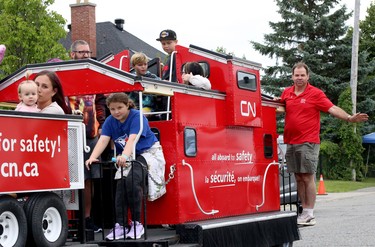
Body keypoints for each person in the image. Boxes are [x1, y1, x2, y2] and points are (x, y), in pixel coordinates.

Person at [278, 62, 369, 226]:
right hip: (290, 141)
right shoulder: (287, 93)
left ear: (308, 77)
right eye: (296, 75)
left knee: (307, 176)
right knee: (298, 177)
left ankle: (309, 213)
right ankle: (303, 212)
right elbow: (279, 107)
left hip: (308, 141)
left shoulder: (315, 94)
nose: (299, 78)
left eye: (302, 75)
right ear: (292, 76)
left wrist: (349, 118)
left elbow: (332, 108)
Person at [85, 92, 166, 240]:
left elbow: (132, 139)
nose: (116, 112)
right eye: (112, 109)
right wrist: (92, 157)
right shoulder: (110, 121)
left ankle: (137, 224)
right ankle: (120, 225)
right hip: (128, 155)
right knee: (121, 186)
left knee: (132, 181)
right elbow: (103, 140)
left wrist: (124, 156)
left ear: (127, 105)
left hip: (148, 152)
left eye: (120, 108)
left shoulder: (136, 117)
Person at [69, 40, 106, 233]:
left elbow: (100, 101)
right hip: (70, 135)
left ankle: (87, 218)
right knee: (72, 178)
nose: (85, 55)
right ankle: (71, 218)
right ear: (72, 54)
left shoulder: (94, 74)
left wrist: (101, 125)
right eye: (81, 52)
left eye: (88, 52)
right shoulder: (64, 75)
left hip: (91, 135)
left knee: (90, 179)